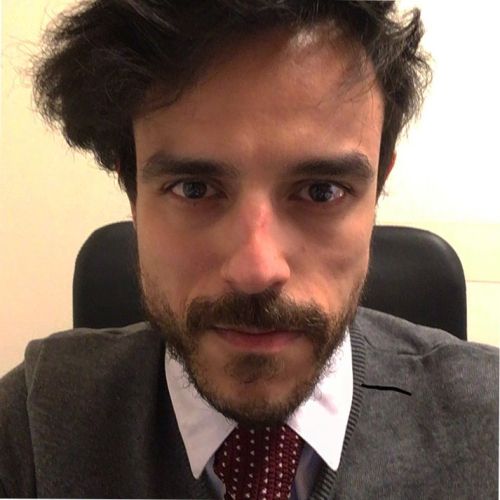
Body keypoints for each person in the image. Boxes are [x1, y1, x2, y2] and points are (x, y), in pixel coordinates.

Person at [0, 1, 497, 498]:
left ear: (377, 189)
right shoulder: (32, 428)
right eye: (194, 189)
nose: (257, 269)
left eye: (321, 191)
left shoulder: (488, 421)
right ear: (131, 190)